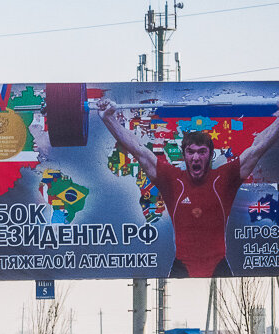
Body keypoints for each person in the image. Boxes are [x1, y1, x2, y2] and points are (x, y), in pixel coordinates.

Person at [97, 98, 279, 277]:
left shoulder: (225, 178)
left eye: (202, 152)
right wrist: (108, 119)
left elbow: (258, 147)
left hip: (219, 267)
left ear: (210, 155)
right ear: (184, 155)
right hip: (181, 269)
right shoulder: (171, 179)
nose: (196, 158)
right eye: (190, 152)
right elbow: (138, 150)